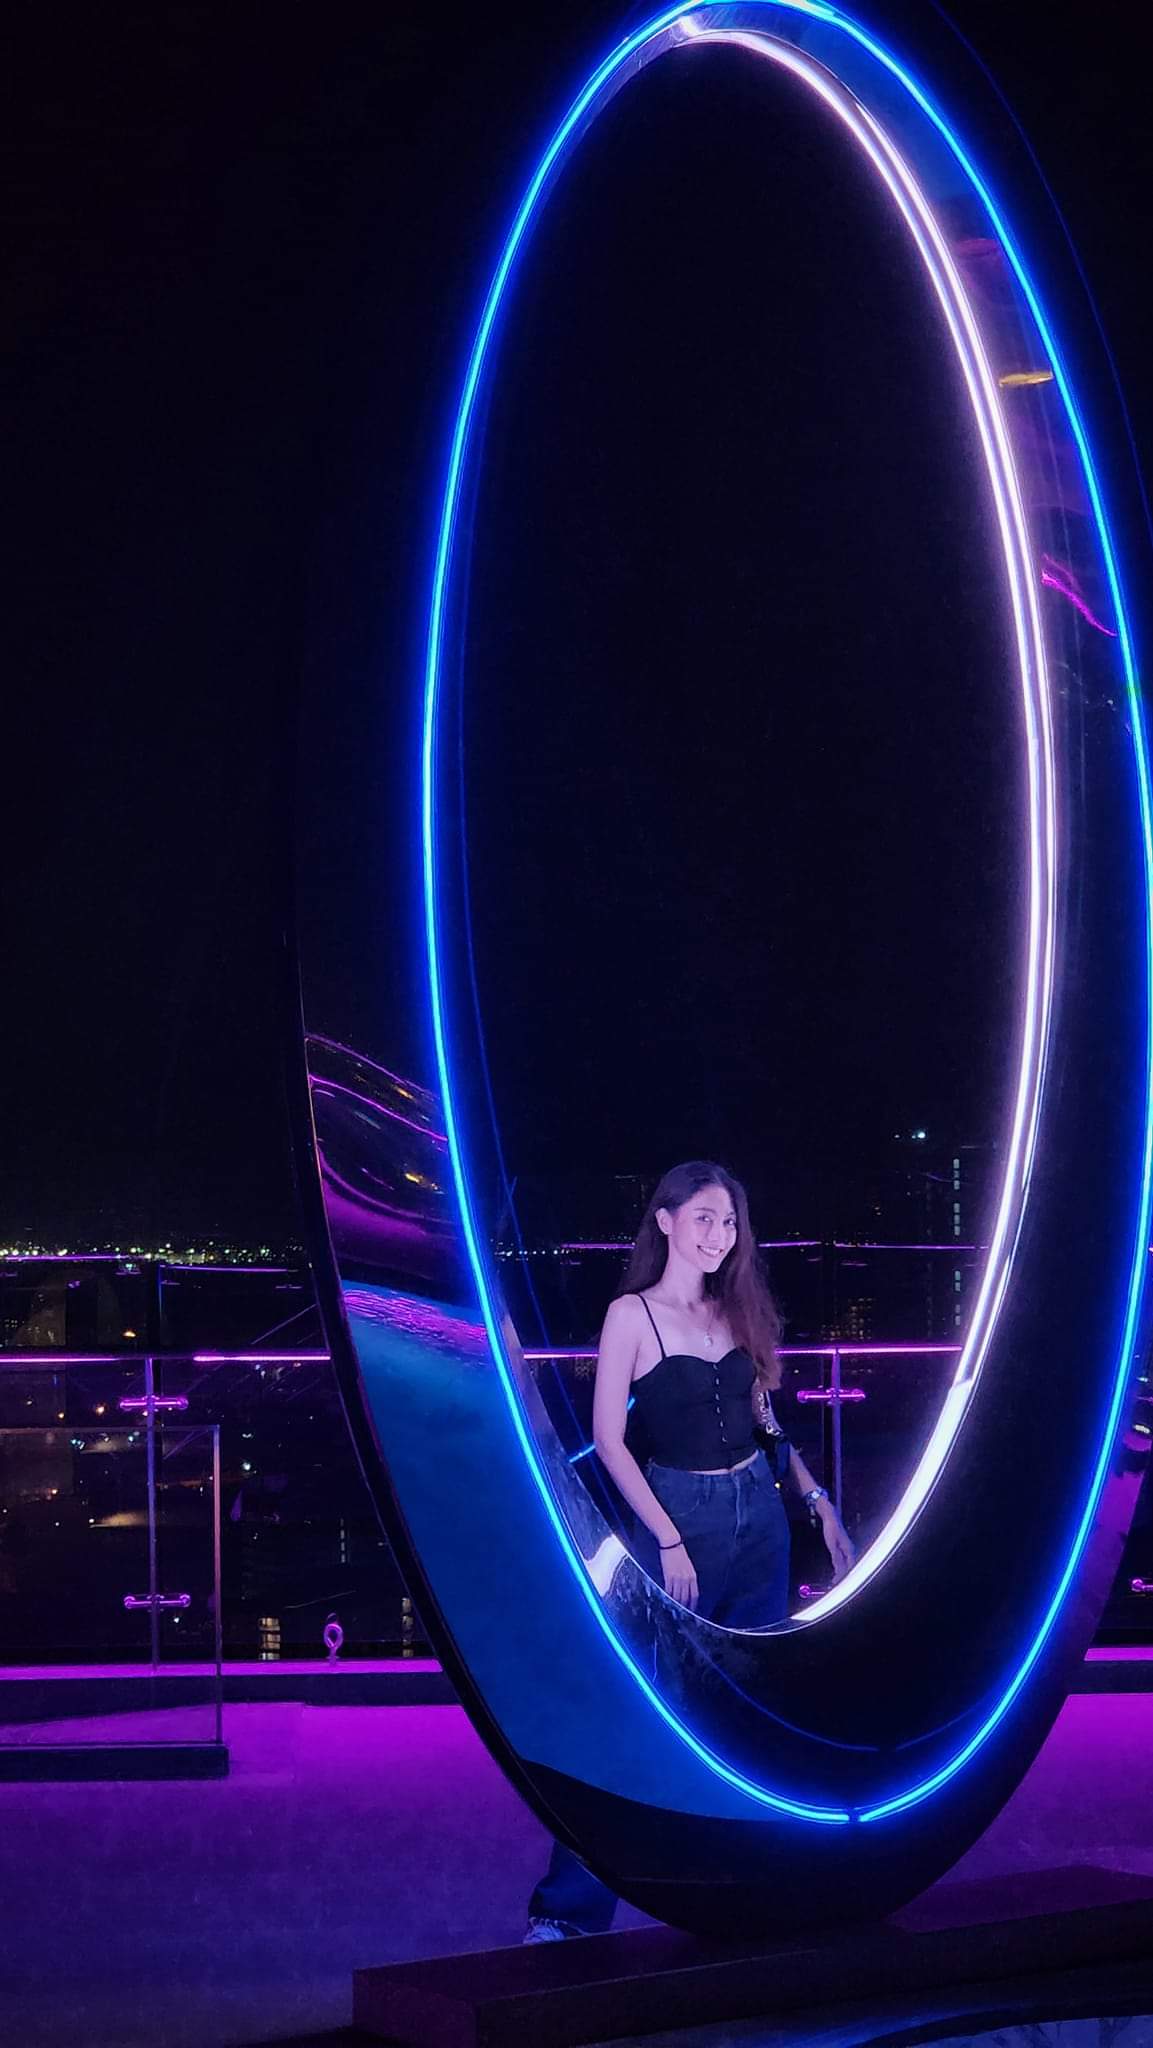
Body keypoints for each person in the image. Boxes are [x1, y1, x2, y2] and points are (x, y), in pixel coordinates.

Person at [524, 1159, 854, 1942]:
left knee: (750, 1709)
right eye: (704, 1217)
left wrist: (816, 1503)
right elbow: (609, 1441)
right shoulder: (630, 1315)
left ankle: (746, 1889)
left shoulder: (732, 1311)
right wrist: (668, 1537)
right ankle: (567, 1910)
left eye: (730, 1221)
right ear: (665, 1220)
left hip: (758, 1519)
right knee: (639, 1710)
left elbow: (764, 1424)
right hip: (678, 1517)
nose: (719, 1234)